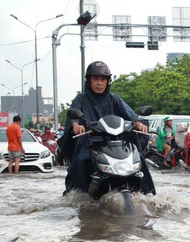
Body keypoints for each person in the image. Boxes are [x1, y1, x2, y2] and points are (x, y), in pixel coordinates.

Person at [57, 60, 155, 195]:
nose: (99, 82)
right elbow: (74, 116)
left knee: (139, 159)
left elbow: (130, 114)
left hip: (116, 143)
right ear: (89, 81)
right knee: (80, 161)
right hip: (90, 143)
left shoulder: (114, 99)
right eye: (95, 79)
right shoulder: (81, 99)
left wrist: (138, 122)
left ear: (108, 81)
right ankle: (79, 195)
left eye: (103, 79)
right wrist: (76, 125)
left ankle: (148, 195)